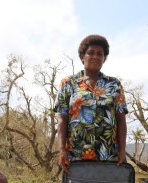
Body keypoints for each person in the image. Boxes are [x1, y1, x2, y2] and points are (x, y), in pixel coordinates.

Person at [54, 34, 128, 173]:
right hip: (76, 156)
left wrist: (122, 151)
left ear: (104, 59)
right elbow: (62, 118)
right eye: (91, 53)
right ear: (82, 57)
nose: (95, 56)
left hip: (108, 156)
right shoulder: (68, 83)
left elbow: (121, 120)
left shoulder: (114, 85)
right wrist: (62, 150)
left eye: (100, 54)